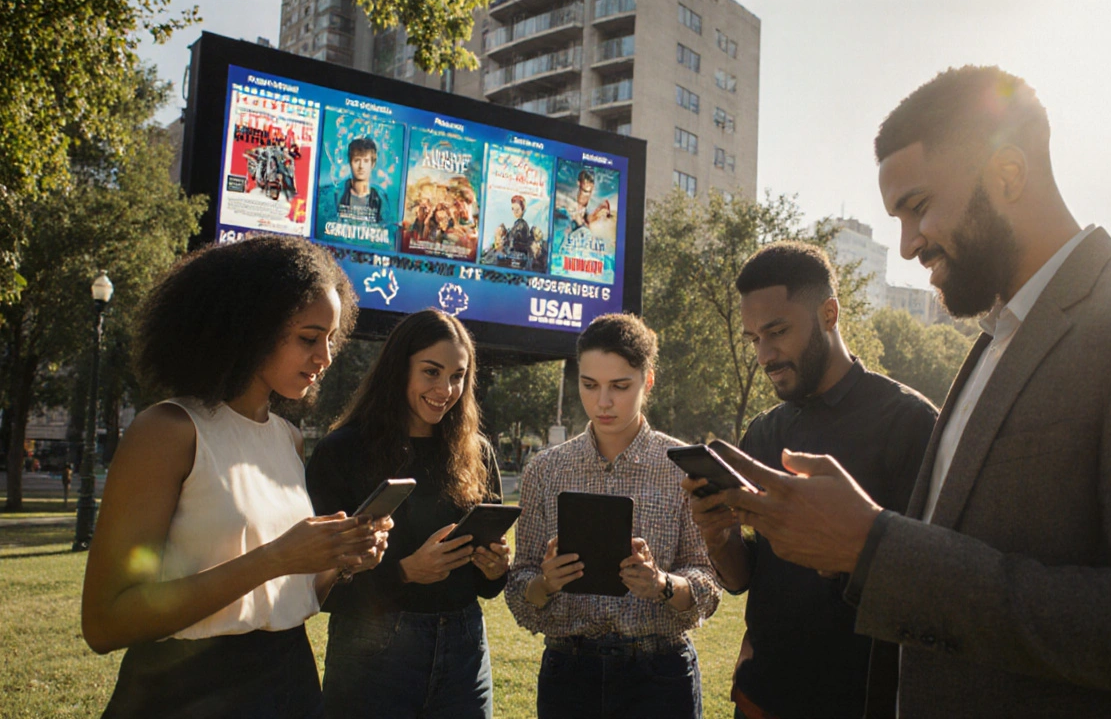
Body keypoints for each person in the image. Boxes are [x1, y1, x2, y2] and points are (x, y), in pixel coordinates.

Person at [718, 65, 1111, 717]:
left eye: (918, 207)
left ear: (1007, 175)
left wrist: (875, 546)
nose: (906, 244)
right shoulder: (992, 342)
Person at [81, 235, 391, 719]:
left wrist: (341, 560)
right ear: (250, 327)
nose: (325, 358)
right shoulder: (168, 431)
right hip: (186, 690)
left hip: (291, 680)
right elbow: (105, 623)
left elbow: (289, 598)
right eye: (309, 338)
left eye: (332, 339)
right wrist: (275, 557)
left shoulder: (288, 438)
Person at [680, 242, 937, 719]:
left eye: (777, 332)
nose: (764, 354)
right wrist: (718, 539)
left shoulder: (910, 423)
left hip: (860, 702)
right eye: (753, 338)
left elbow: (931, 586)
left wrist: (848, 555)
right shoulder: (764, 431)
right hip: (762, 699)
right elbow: (743, 579)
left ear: (830, 313)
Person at [506, 313, 721, 719]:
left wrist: (662, 583)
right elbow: (518, 588)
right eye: (590, 385)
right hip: (569, 672)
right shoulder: (546, 469)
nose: (603, 402)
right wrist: (545, 583)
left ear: (648, 381)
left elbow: (708, 583)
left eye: (620, 386)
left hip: (659, 675)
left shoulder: (684, 467)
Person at [306, 308, 509, 719]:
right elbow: (315, 587)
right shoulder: (342, 452)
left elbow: (488, 588)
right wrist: (404, 572)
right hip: (372, 651)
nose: (446, 389)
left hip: (465, 649)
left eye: (458, 376)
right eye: (431, 372)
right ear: (399, 369)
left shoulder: (477, 453)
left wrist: (495, 568)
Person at [318, 136, 388, 225]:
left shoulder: (380, 199)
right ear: (350, 162)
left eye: (366, 161)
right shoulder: (334, 195)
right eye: (357, 160)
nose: (361, 166)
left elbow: (386, 228)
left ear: (372, 164)